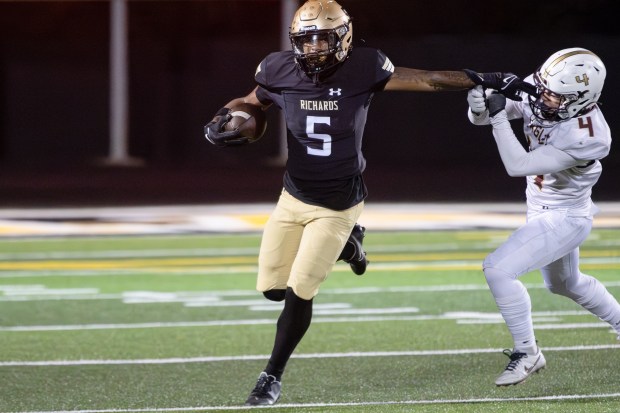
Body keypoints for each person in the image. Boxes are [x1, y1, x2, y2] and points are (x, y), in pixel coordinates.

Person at [205, 0, 526, 405]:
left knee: (301, 290)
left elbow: (428, 80)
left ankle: (271, 377)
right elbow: (251, 102)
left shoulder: (364, 66)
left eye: (323, 39)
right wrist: (230, 117)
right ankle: (350, 247)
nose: (314, 49)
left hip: (339, 201)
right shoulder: (277, 67)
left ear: (343, 38)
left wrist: (486, 77)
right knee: (272, 290)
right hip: (293, 196)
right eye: (306, 40)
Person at [466, 47, 620, 387]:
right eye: (544, 88)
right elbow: (490, 111)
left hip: (566, 216)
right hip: (540, 207)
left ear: (581, 99)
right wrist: (479, 104)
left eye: (554, 95)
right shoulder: (547, 89)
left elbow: (516, 166)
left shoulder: (590, 136)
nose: (544, 98)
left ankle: (528, 352)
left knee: (498, 269)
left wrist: (497, 116)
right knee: (566, 283)